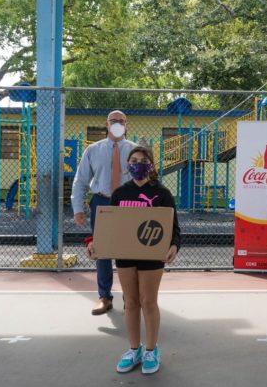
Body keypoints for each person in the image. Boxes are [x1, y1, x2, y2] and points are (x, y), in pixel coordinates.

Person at [86, 146, 179, 375]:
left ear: (151, 165)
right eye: (134, 160)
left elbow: (174, 228)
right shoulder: (120, 193)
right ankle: (134, 349)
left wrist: (174, 245)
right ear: (128, 165)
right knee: (130, 302)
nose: (138, 164)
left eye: (143, 160)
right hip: (126, 255)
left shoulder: (162, 193)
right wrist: (93, 242)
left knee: (148, 302)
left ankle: (151, 350)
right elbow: (109, 227)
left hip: (151, 255)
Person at [71, 110, 138, 315]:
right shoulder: (93, 150)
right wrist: (78, 209)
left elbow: (146, 180)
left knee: (130, 251)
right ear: (106, 124)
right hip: (101, 202)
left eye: (121, 121)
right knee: (102, 251)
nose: (117, 123)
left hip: (129, 204)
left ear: (126, 125)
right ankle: (104, 297)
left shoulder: (136, 151)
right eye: (113, 120)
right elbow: (81, 180)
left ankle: (130, 298)